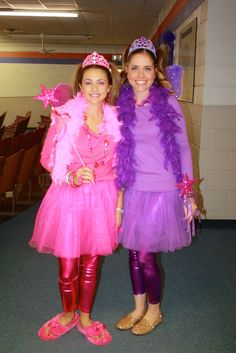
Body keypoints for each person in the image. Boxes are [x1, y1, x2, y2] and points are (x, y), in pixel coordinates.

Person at [29, 52, 123, 346]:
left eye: (101, 83)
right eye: (88, 82)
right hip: (69, 199)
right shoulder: (65, 116)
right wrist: (71, 176)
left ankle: (84, 316)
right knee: (68, 265)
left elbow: (124, 167)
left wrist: (119, 204)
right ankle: (68, 314)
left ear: (109, 87)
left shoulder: (118, 120)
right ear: (80, 86)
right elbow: (48, 158)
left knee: (91, 263)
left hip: (103, 198)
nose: (94, 88)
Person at [115, 37, 197, 336]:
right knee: (134, 253)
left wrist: (188, 194)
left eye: (147, 68)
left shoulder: (168, 102)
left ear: (155, 70)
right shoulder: (120, 104)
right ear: (125, 69)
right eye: (134, 68)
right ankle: (138, 308)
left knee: (147, 255)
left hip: (162, 189)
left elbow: (183, 148)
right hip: (134, 188)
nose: (140, 75)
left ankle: (155, 311)